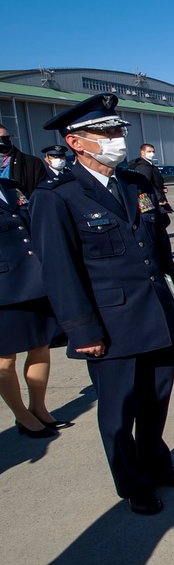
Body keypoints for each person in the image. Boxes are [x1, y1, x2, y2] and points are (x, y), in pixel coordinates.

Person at [31, 93, 174, 515]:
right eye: (105, 132)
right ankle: (132, 483)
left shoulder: (135, 183)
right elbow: (59, 271)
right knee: (119, 411)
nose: (116, 139)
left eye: (117, 130)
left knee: (156, 400)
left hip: (157, 313)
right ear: (76, 142)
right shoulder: (58, 196)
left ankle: (157, 464)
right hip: (110, 324)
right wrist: (82, 330)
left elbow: (158, 248)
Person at [0, 176, 64, 438]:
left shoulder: (10, 187)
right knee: (5, 359)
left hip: (33, 281)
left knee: (40, 345)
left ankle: (38, 407)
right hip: (4, 289)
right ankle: (22, 416)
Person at [0, 125, 47, 196]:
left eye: (5, 138)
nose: (2, 141)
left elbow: (43, 192)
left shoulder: (32, 163)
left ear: (11, 138)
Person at [129, 143, 173, 217]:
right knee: (152, 219)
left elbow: (155, 181)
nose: (152, 154)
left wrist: (161, 188)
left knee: (162, 220)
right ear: (142, 153)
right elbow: (145, 184)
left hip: (153, 197)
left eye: (153, 151)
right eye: (149, 151)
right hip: (149, 199)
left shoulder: (149, 165)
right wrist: (159, 198)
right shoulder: (143, 167)